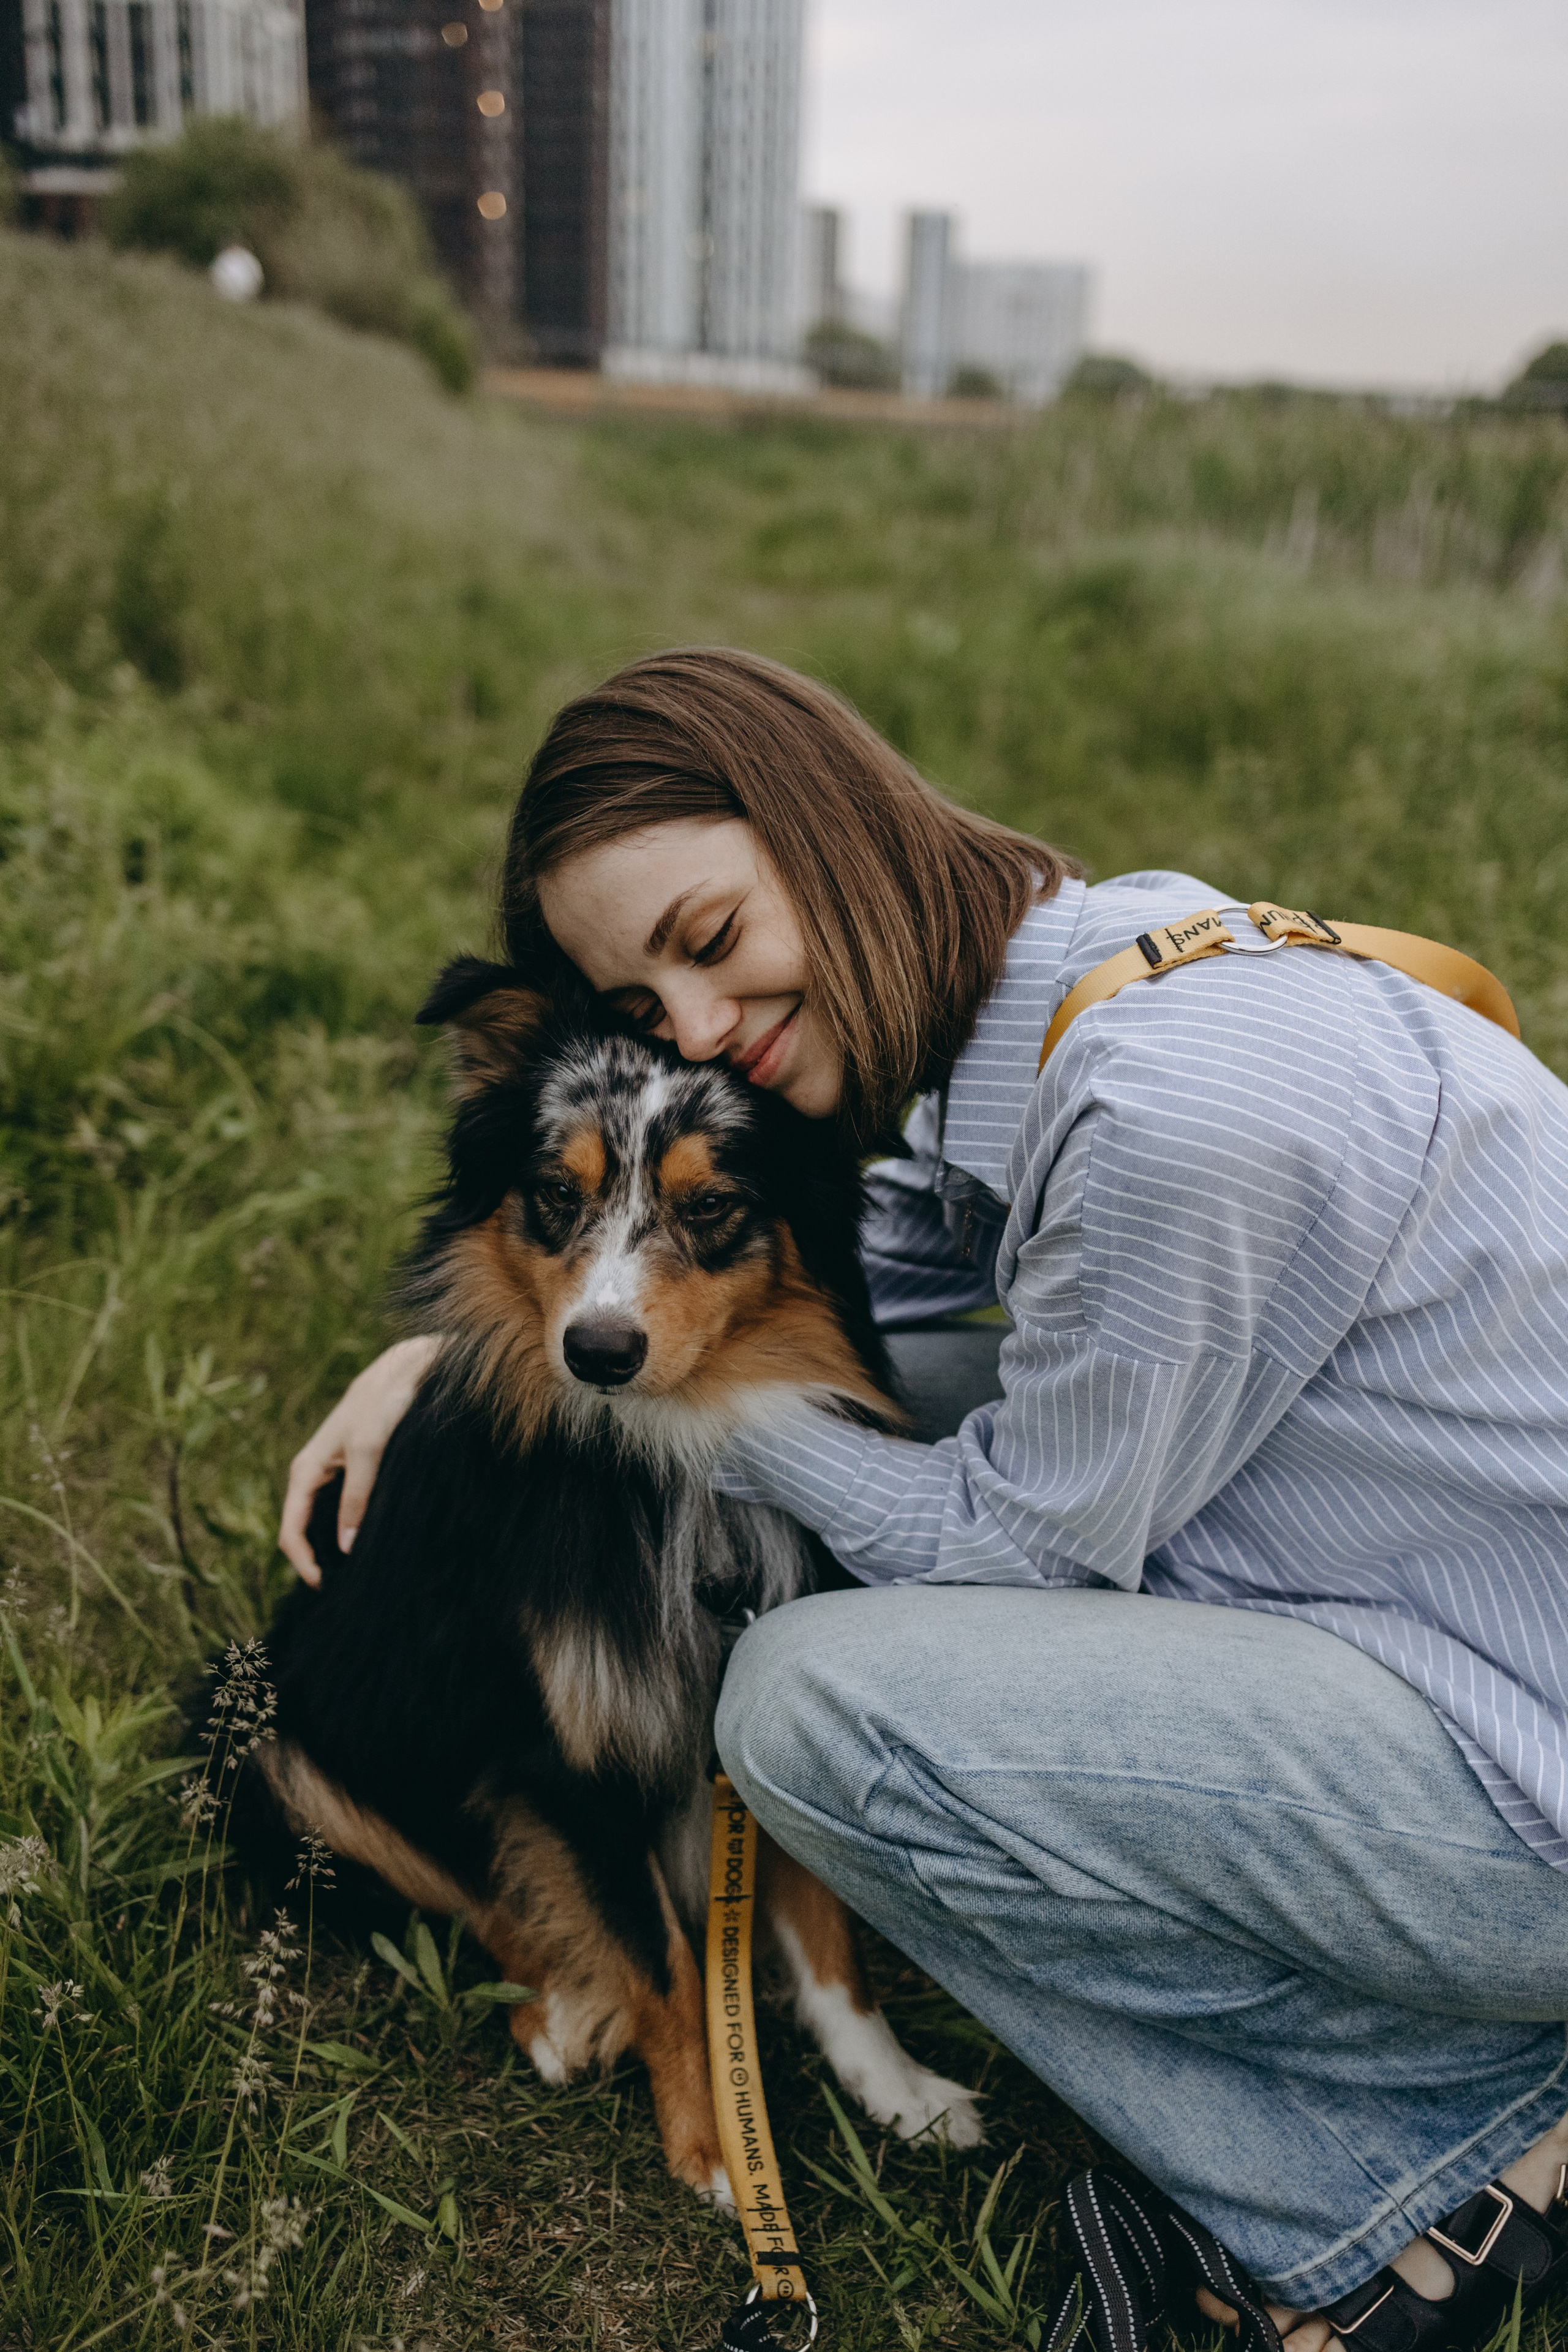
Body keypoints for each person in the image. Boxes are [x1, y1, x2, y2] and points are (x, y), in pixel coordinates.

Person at [279, 647, 1568, 2352]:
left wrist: (673, 1395)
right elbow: (870, 1276)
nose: (707, 1029)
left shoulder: (1170, 1112)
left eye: (713, 940)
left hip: (1527, 1792)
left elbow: (1010, 1550)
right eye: (652, 1013)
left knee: (815, 1709)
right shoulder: (1113, 960)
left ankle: (1418, 2169)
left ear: (827, 817)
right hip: (1464, 1633)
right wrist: (472, 1348)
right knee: (906, 1395)